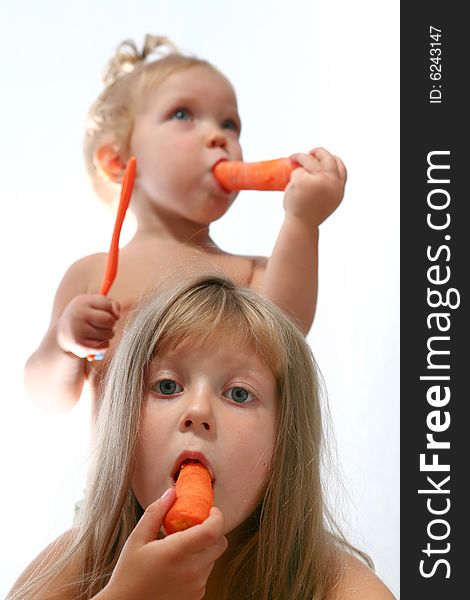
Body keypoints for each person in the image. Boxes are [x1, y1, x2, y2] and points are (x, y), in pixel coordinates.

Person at [9, 276, 395, 600]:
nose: (197, 412)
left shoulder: (334, 584)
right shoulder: (80, 559)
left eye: (239, 393)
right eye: (166, 385)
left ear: (284, 444)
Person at [23, 34, 347, 415]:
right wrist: (64, 344)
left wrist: (303, 222)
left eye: (230, 124)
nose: (218, 137)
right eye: (182, 115)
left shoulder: (255, 274)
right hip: (125, 478)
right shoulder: (91, 275)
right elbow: (46, 395)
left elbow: (285, 336)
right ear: (118, 161)